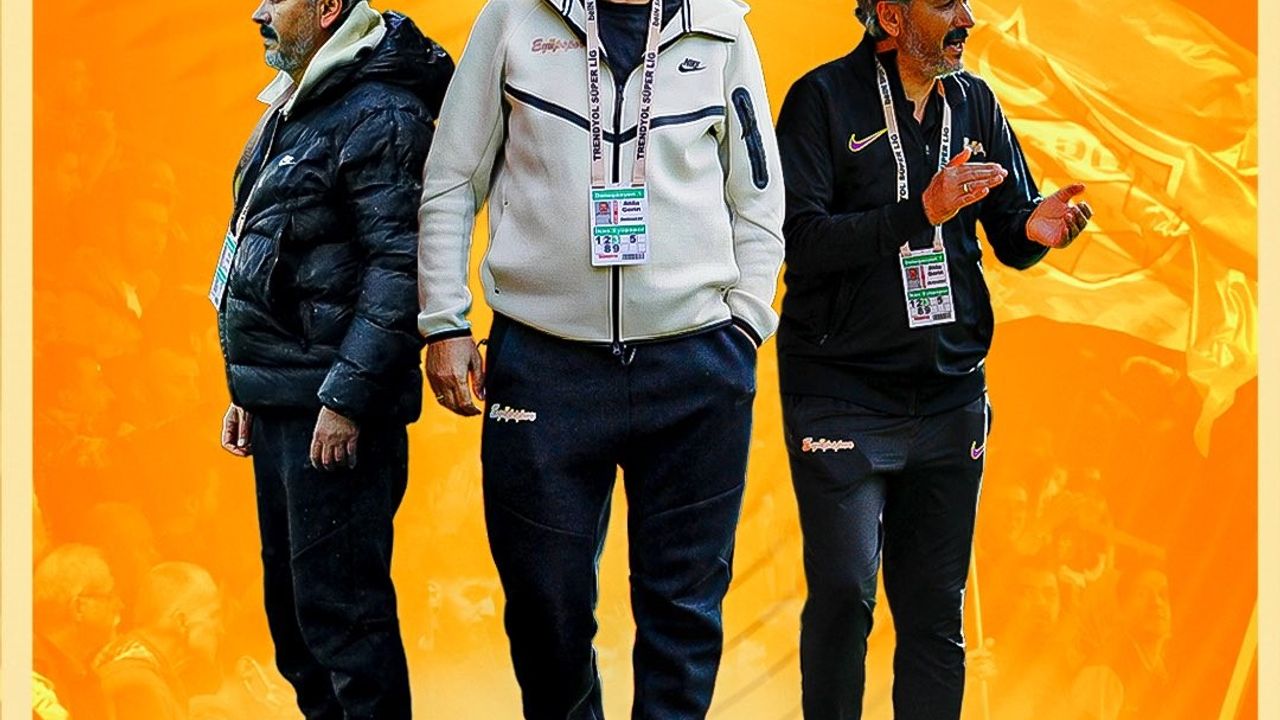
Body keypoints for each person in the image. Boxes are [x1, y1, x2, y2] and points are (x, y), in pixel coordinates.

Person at [417, 0, 785, 716]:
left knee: (684, 614)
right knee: (544, 613)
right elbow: (453, 178)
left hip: (695, 369)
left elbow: (759, 195)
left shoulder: (722, 29)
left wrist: (745, 326)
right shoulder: (512, 18)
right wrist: (443, 322)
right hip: (544, 367)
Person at [773, 0, 1093, 718]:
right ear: (891, 15)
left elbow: (1009, 231)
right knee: (844, 595)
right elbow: (802, 242)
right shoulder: (821, 99)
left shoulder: (974, 102)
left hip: (950, 396)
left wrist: (1037, 229)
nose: (968, 18)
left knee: (933, 612)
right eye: (946, 3)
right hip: (842, 396)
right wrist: (920, 211)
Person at [211, 1, 453, 717]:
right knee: (297, 623)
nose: (258, 12)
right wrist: (251, 385)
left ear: (325, 9)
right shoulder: (302, 101)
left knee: (343, 621)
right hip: (287, 398)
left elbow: (398, 267)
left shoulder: (381, 111)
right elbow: (265, 251)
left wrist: (346, 397)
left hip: (334, 410)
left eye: (277, 0)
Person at [97, 562, 224, 720]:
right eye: (213, 615)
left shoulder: (144, 674)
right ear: (181, 622)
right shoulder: (138, 685)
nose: (221, 629)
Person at [33, 544, 122, 720]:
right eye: (110, 596)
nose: (120, 605)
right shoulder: (24, 678)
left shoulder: (85, 677)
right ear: (78, 607)